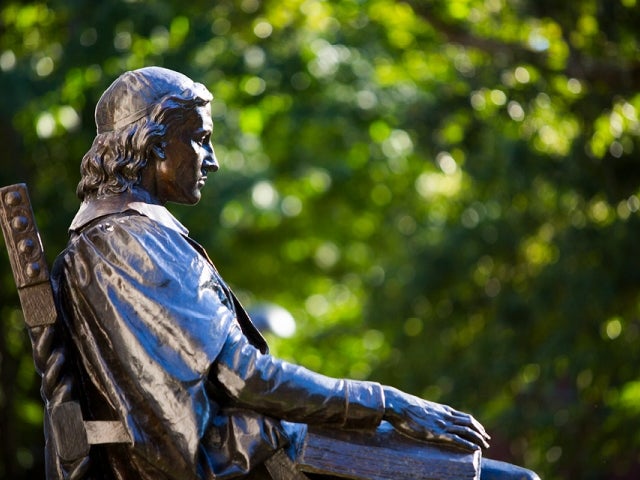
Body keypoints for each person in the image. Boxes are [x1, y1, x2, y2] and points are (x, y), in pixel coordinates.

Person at [52, 66, 538, 480]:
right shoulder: (130, 242)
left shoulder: (112, 240)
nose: (213, 161)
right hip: (248, 461)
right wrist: (390, 403)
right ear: (154, 143)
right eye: (199, 140)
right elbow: (243, 377)